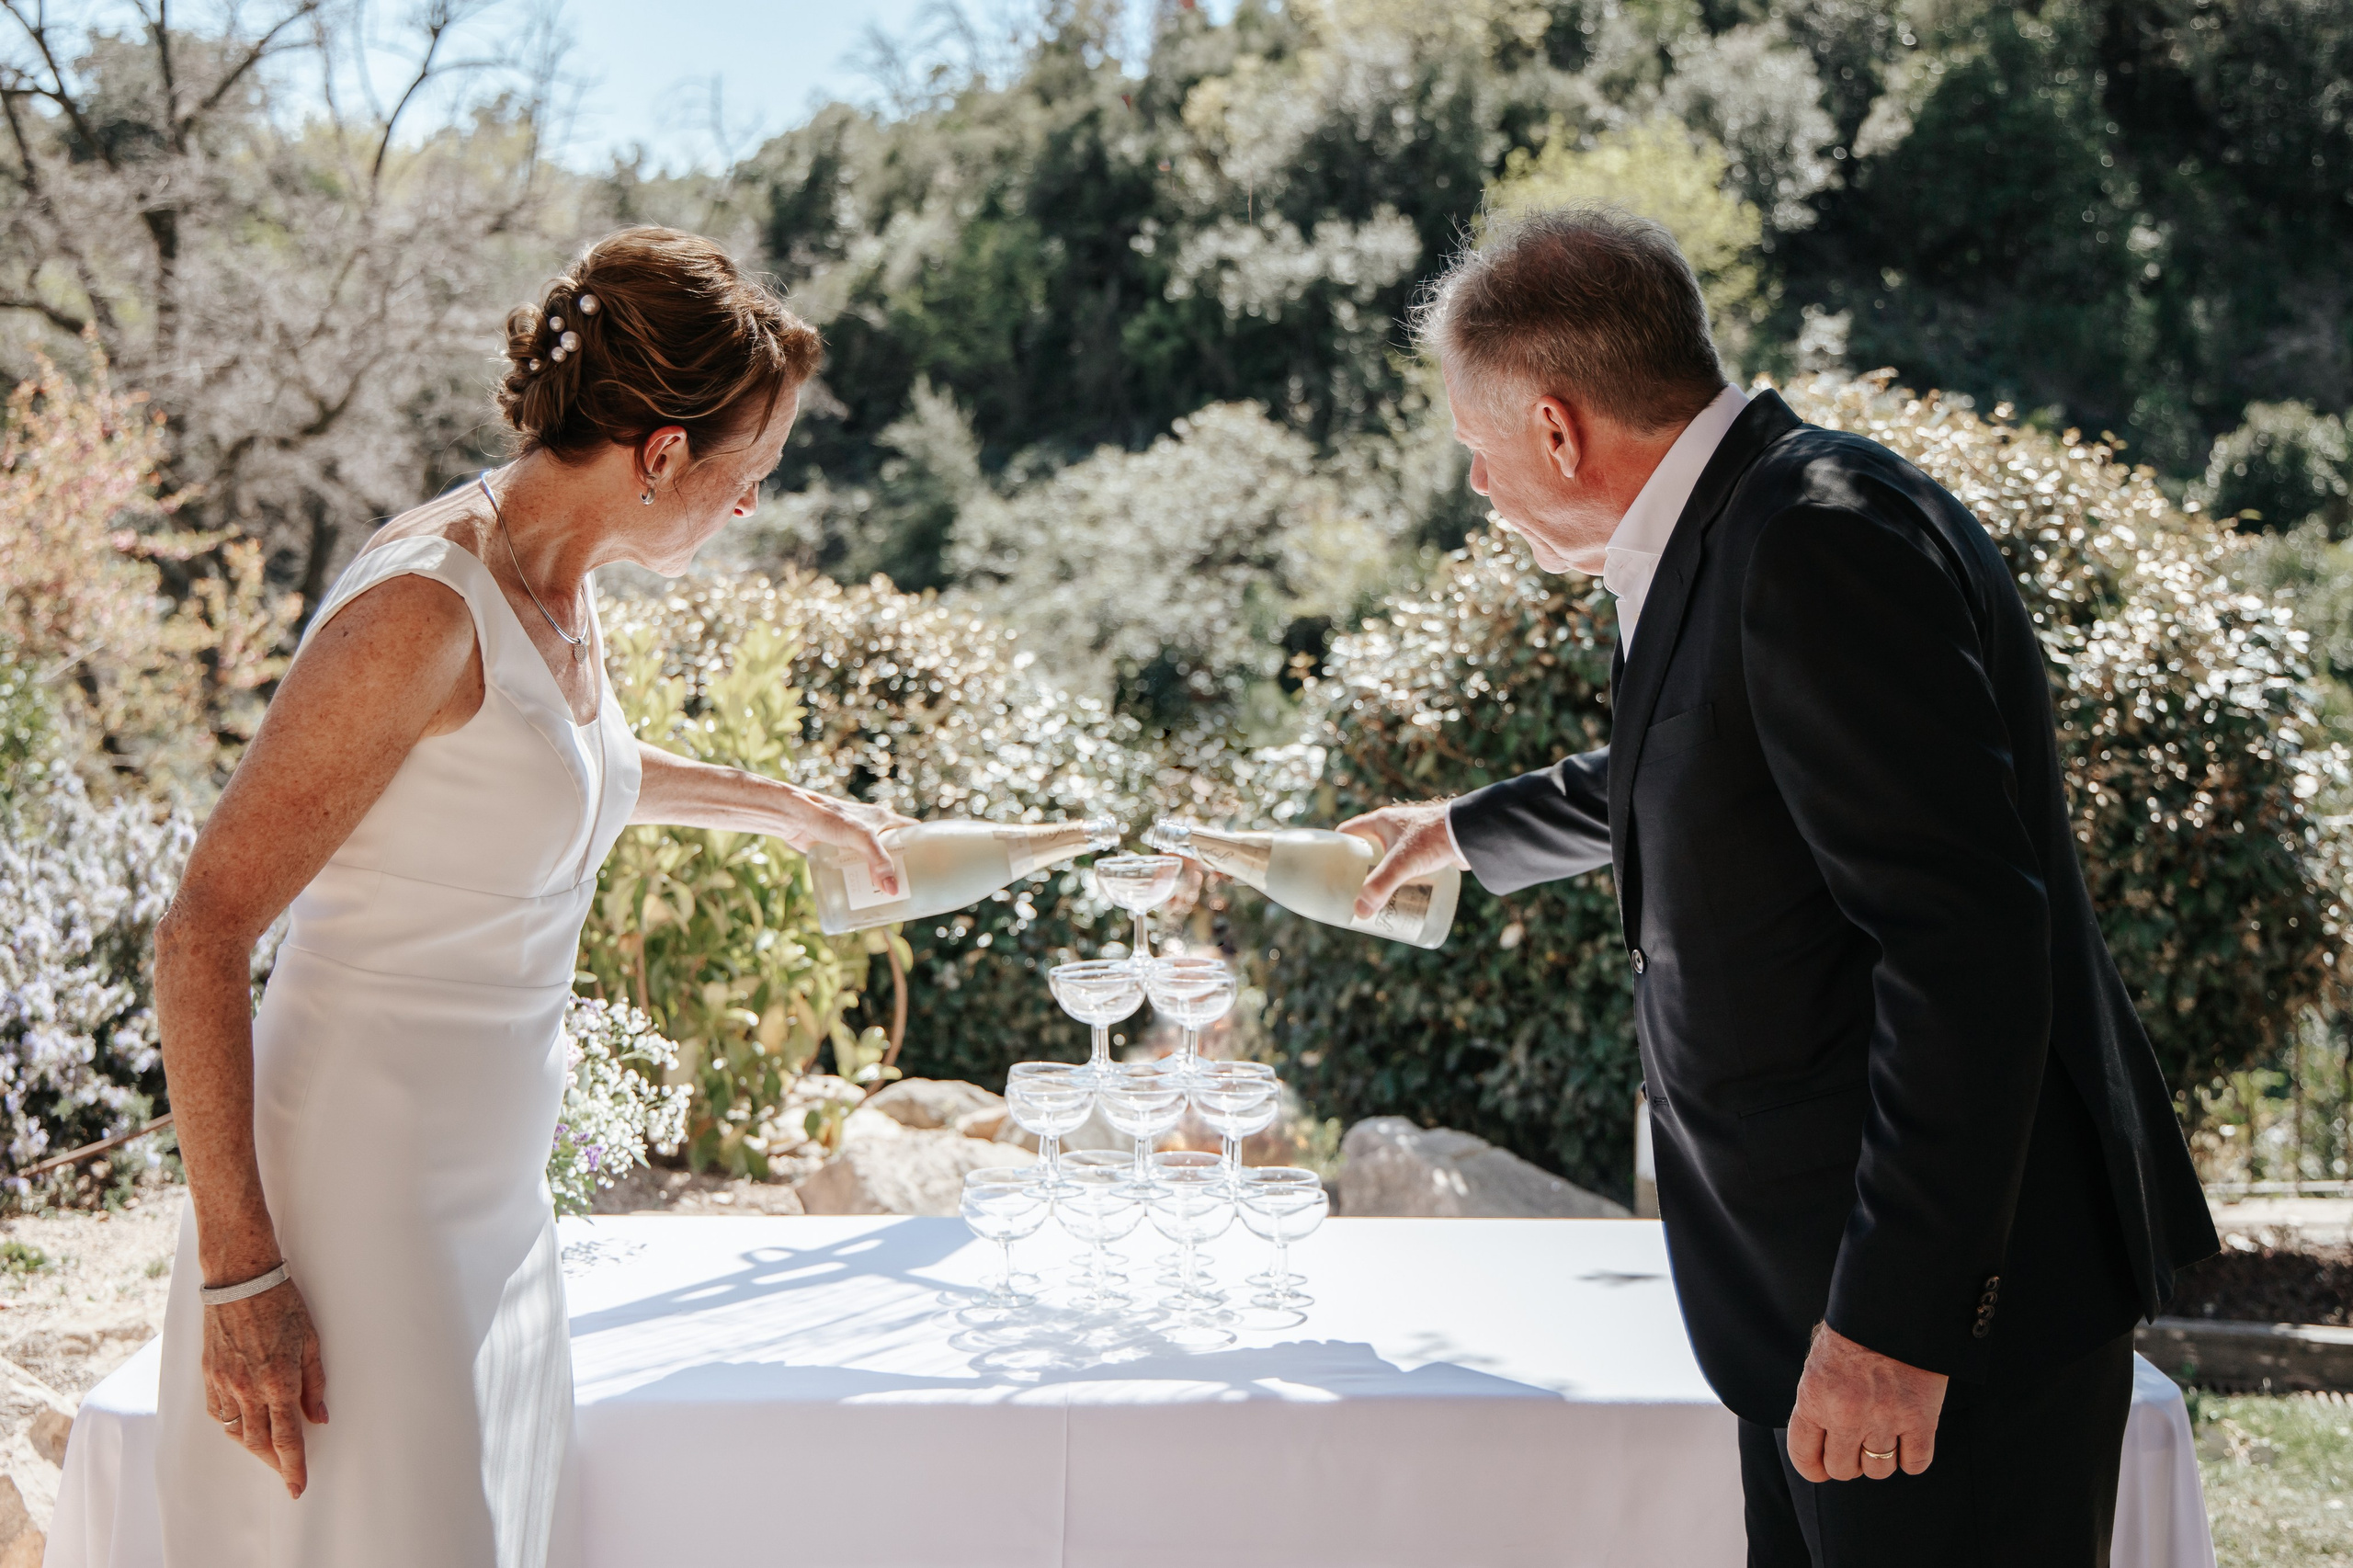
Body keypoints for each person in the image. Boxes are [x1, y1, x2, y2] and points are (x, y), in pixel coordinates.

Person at [1341, 207, 2218, 1567]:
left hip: (1929, 1330)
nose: (1478, 481)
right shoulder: (1740, 522)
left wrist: (1895, 1323)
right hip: (1812, 1302)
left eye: (1478, 442)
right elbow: (1707, 765)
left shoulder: (1817, 536)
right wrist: (1461, 830)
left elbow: (1964, 945)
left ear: (1557, 430)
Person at [150, 227, 911, 1567]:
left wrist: (789, 807)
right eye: (747, 474)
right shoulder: (420, 608)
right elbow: (202, 927)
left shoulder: (556, 580)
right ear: (661, 451)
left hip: (496, 1208)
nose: (750, 507)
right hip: (354, 1208)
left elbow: (549, 769)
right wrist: (240, 1272)